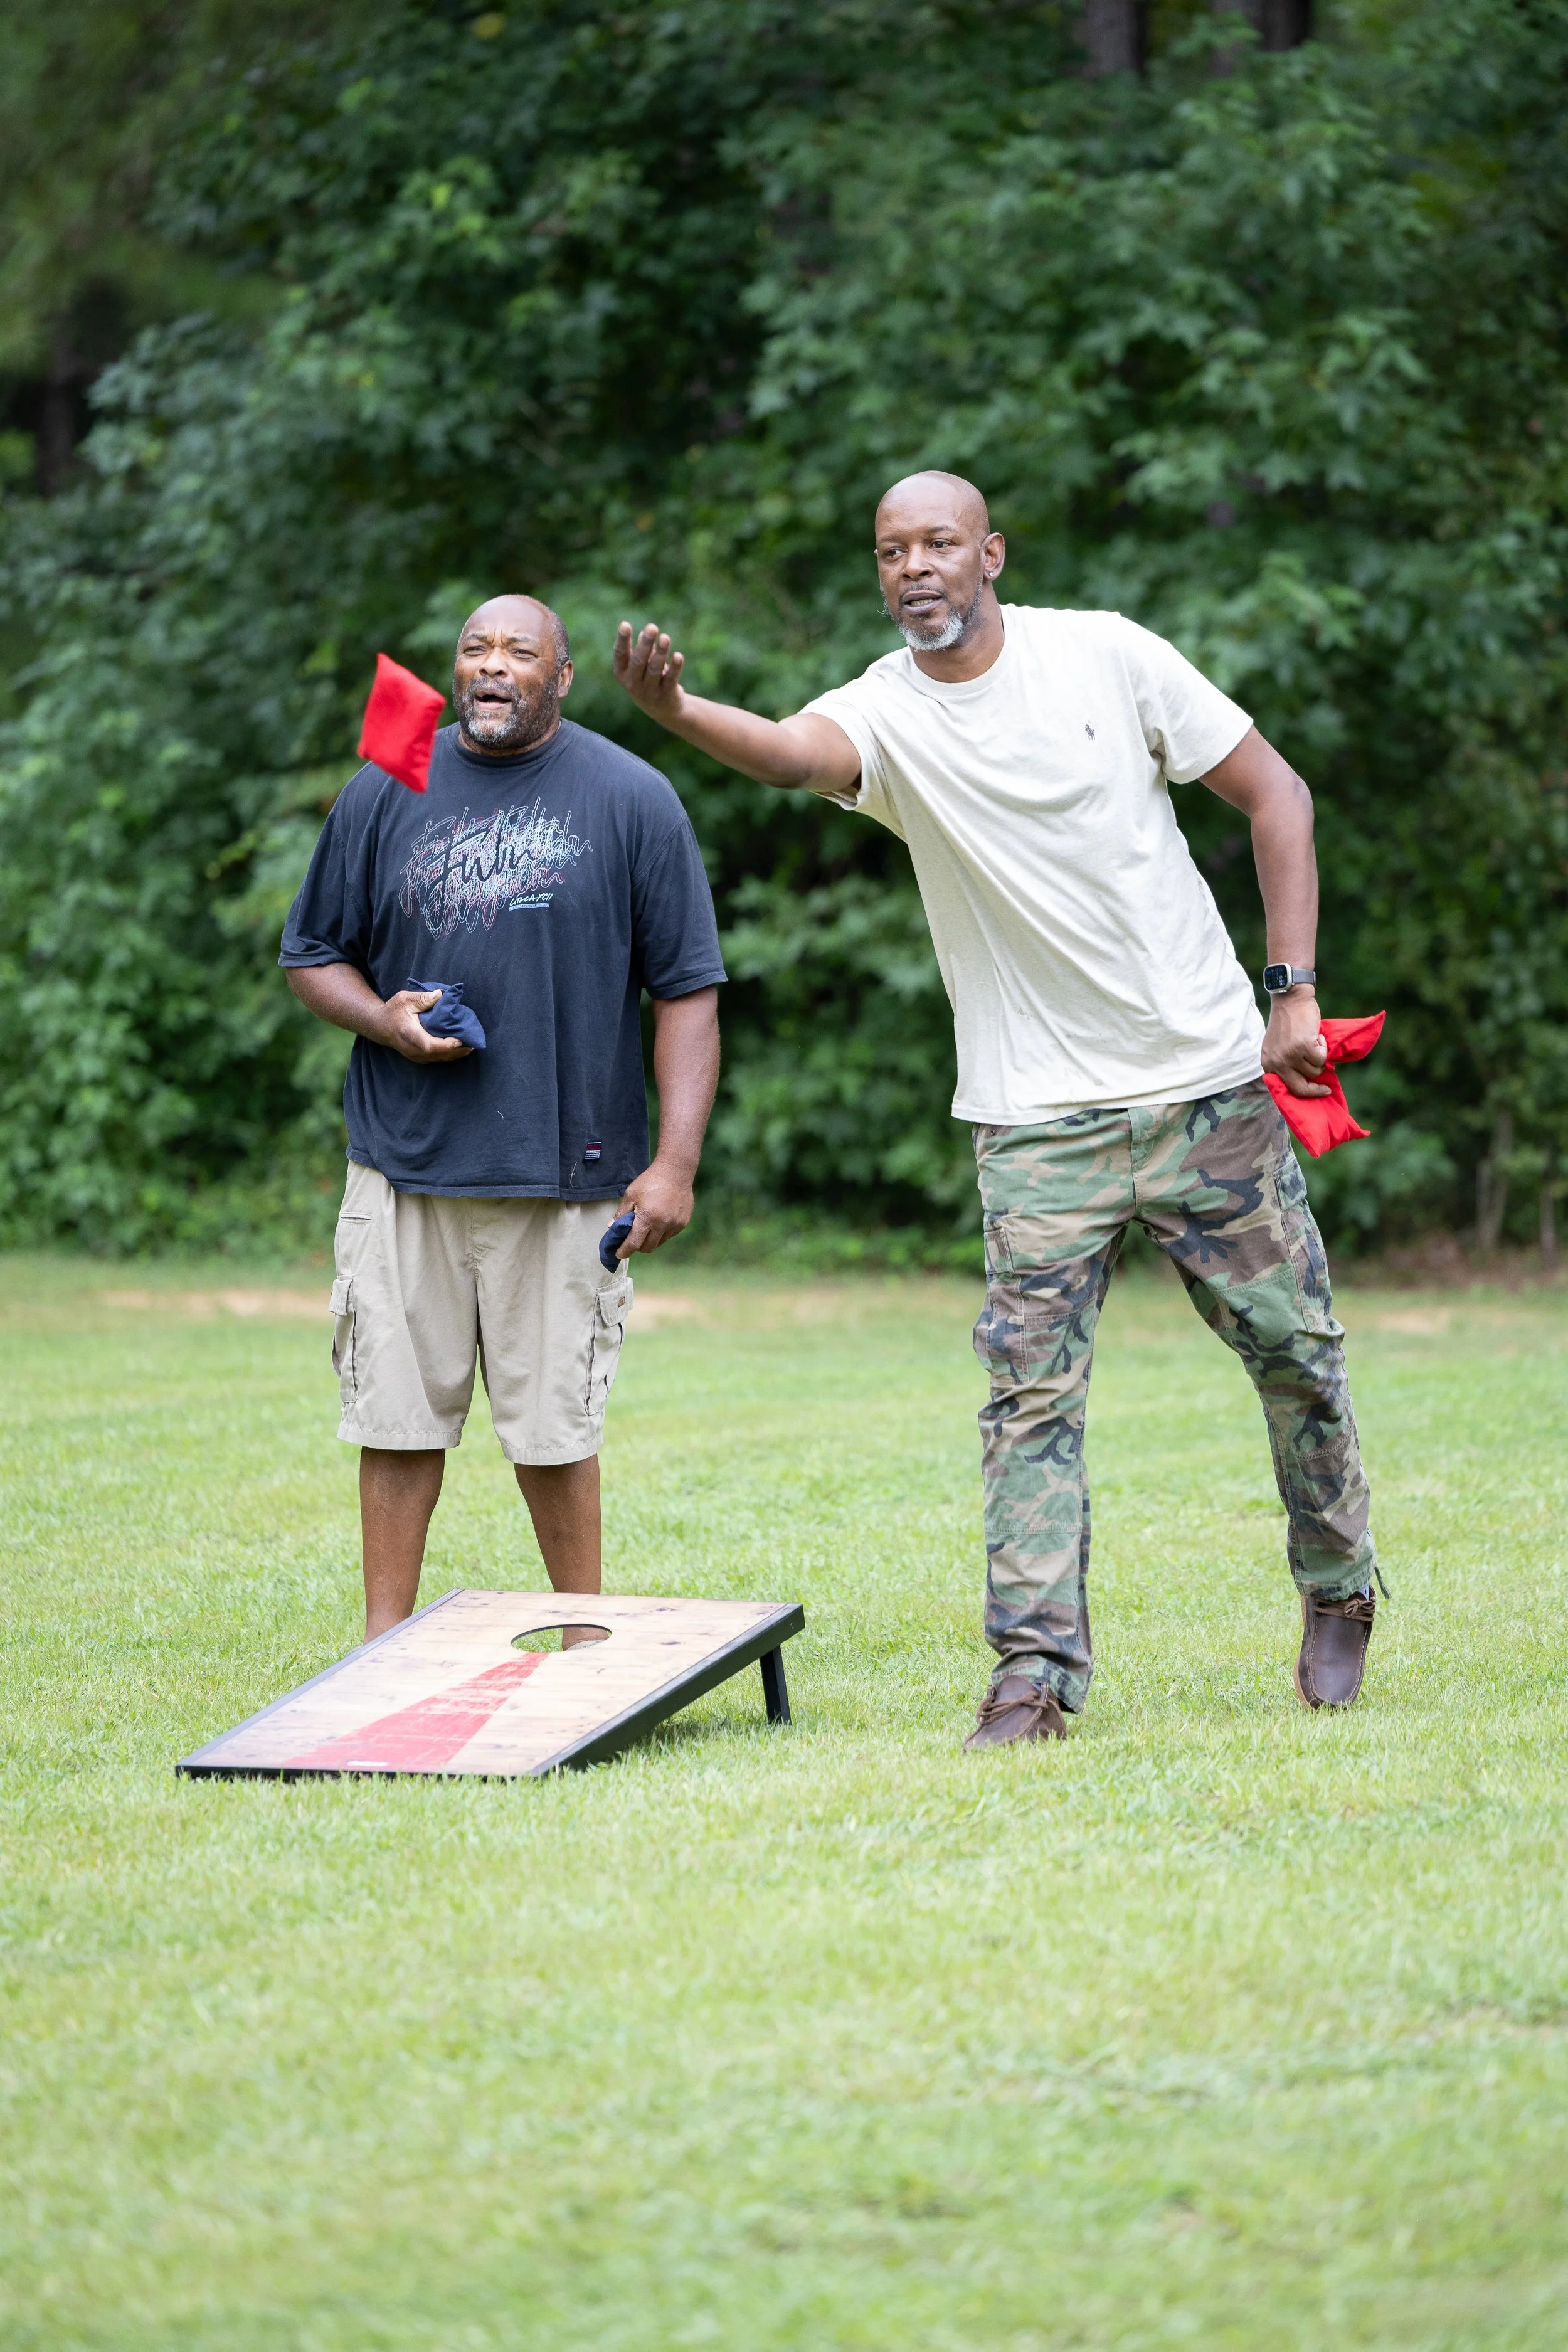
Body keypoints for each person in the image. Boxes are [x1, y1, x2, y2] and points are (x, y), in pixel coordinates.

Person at [612, 472, 1380, 1746]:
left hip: (1201, 1087)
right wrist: (679, 709)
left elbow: (1275, 796)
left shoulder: (1106, 656)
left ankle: (1337, 1586)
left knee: (1294, 1354)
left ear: (989, 554)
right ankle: (1033, 1677)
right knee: (1027, 1399)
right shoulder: (885, 710)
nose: (911, 567)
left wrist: (1289, 995)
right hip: (1035, 1125)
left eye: (936, 544)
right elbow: (800, 754)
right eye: (888, 551)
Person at [282, 594, 725, 1641]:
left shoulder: (633, 796)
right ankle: (383, 1647)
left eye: (520, 652)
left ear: (561, 678)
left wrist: (674, 1163)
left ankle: (588, 1643)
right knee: (394, 1418)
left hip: (566, 1171)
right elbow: (312, 955)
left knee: (555, 1431)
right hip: (405, 1166)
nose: (492, 666)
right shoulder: (392, 779)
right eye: (475, 650)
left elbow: (689, 991)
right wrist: (383, 1022)